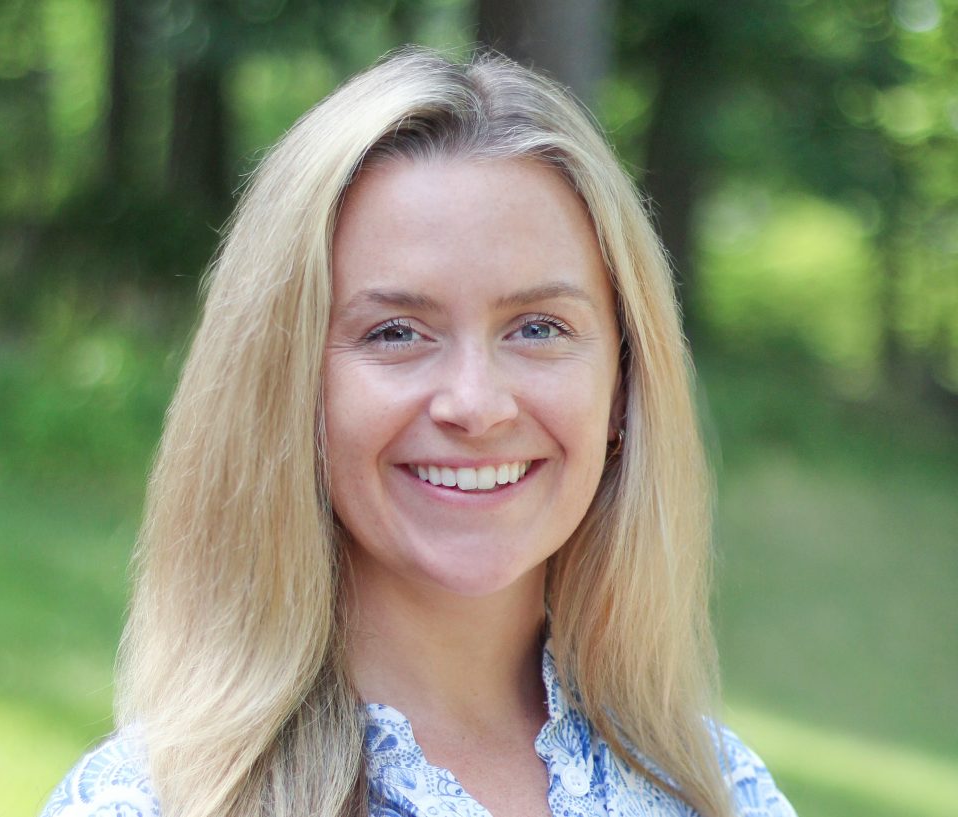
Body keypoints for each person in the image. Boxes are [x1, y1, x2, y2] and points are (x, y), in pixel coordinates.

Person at [41, 48, 796, 817]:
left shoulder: (718, 792)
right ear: (286, 389)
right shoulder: (148, 804)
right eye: (397, 332)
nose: (476, 403)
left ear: (623, 389)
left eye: (538, 327)